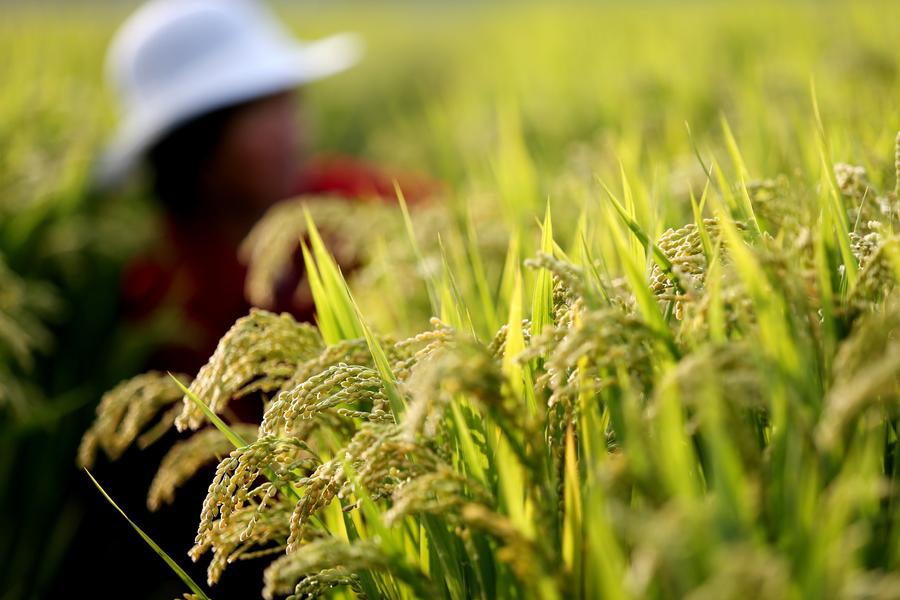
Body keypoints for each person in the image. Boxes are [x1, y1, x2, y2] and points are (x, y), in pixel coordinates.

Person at [100, 0, 434, 373]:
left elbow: (457, 225)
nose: (292, 130)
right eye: (261, 112)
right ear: (196, 150)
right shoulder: (166, 296)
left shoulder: (354, 200)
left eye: (288, 101)